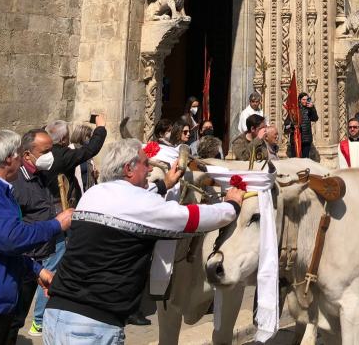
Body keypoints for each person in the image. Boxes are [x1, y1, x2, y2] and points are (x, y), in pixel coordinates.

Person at [42, 139, 244, 345]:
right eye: (145, 163)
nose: (149, 168)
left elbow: (131, 205)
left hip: (56, 313)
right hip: (93, 325)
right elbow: (192, 218)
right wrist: (232, 206)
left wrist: (164, 184)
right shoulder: (143, 205)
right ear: (129, 168)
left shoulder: (93, 193)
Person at [0, 130, 73, 344]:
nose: (20, 160)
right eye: (18, 155)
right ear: (9, 158)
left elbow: (4, 246)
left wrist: (36, 269)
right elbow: (11, 239)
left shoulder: (3, 190)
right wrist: (57, 224)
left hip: (5, 294)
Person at [44, 116, 107, 207]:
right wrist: (100, 127)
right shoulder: (63, 155)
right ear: (63, 139)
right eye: (67, 135)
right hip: (59, 205)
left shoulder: (42, 152)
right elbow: (90, 150)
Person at [285, 93, 318, 159]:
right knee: (295, 160)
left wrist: (312, 108)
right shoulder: (294, 110)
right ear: (299, 100)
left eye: (307, 99)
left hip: (306, 139)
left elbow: (315, 118)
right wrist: (292, 125)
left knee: (305, 159)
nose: (305, 101)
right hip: (295, 139)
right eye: (303, 99)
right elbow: (286, 125)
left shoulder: (309, 109)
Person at [69, 124, 98, 194]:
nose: (90, 139)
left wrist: (95, 175)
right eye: (88, 136)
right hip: (76, 193)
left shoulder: (87, 151)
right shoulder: (70, 150)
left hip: (89, 191)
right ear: (81, 136)